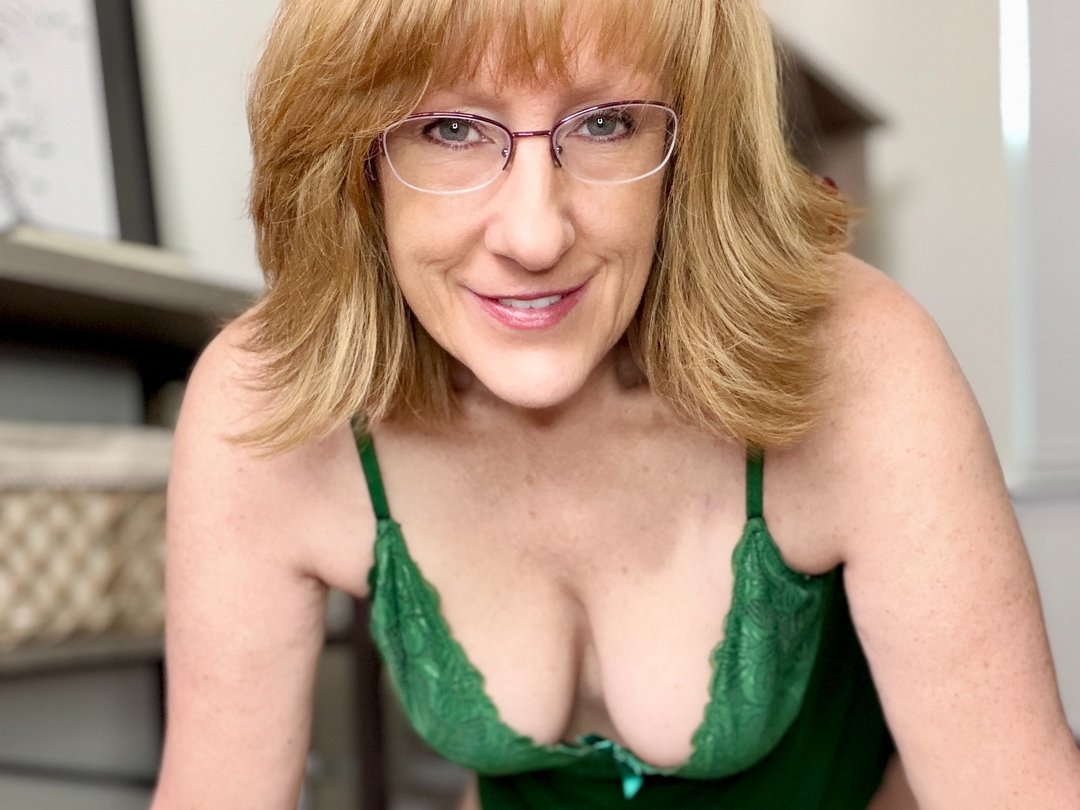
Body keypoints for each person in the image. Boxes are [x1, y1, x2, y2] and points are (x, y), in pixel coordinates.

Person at [151, 0, 1080, 808]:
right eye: (450, 129)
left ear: (690, 149)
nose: (534, 235)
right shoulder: (268, 399)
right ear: (352, 155)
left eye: (606, 123)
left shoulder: (856, 357)